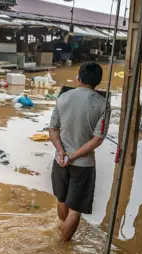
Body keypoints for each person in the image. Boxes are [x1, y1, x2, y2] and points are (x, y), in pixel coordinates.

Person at [48, 62, 109, 242]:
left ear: (78, 77)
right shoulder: (102, 104)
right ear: (98, 81)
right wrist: (73, 156)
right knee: (75, 209)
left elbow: (53, 129)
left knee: (62, 200)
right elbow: (98, 138)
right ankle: (62, 246)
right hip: (83, 165)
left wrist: (61, 153)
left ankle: (62, 230)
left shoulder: (63, 98)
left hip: (60, 161)